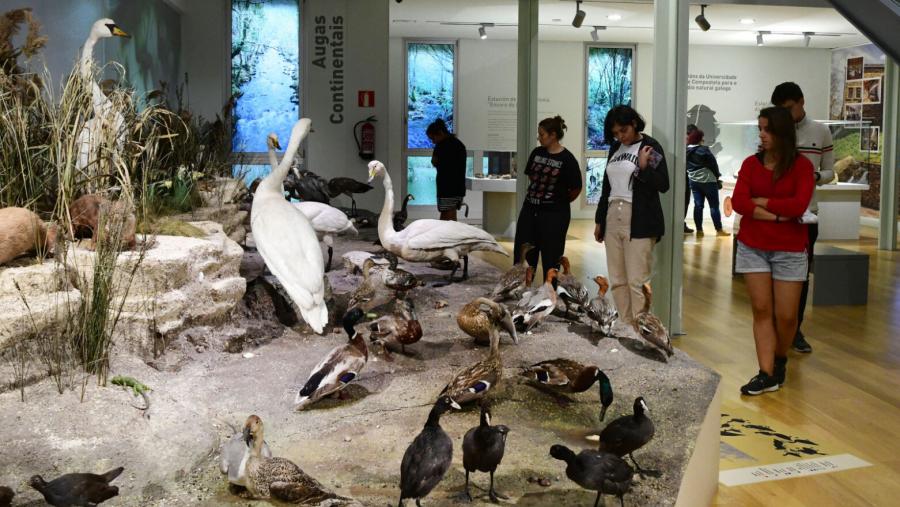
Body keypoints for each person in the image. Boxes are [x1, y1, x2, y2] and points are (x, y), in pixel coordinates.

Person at [732, 106, 814, 396]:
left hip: (790, 248)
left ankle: (780, 359)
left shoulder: (802, 166)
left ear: (783, 132)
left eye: (768, 129)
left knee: (788, 316)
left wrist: (762, 201)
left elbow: (798, 205)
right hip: (753, 245)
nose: (762, 135)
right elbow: (740, 202)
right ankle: (766, 373)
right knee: (761, 310)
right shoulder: (750, 164)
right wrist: (778, 216)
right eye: (760, 129)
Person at [771, 82, 835, 354]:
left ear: (801, 102)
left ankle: (794, 329)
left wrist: (813, 176)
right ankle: (775, 327)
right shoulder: (775, 131)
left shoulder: (821, 131)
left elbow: (830, 172)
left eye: (788, 108)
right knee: (772, 273)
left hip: (807, 216)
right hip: (775, 215)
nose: (785, 115)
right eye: (780, 110)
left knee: (800, 276)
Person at [593, 105, 669, 325]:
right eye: (616, 133)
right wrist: (600, 220)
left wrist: (644, 168)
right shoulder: (615, 147)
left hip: (640, 219)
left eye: (623, 130)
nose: (620, 136)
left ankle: (642, 332)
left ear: (634, 123)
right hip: (612, 215)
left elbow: (663, 184)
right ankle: (625, 329)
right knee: (617, 280)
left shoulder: (650, 147)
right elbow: (607, 187)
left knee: (637, 281)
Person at [513, 115, 582, 281]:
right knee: (524, 253)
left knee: (551, 255)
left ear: (553, 135)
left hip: (554, 215)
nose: (539, 137)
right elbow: (532, 176)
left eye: (542, 134)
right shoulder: (537, 152)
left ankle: (549, 290)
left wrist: (557, 202)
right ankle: (522, 288)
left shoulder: (567, 159)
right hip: (530, 210)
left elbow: (576, 188)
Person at [686, 124, 729, 237]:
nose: (703, 140)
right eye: (702, 138)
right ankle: (719, 230)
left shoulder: (686, 151)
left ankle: (699, 230)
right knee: (714, 206)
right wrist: (717, 176)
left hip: (694, 182)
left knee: (698, 206)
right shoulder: (704, 150)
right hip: (709, 182)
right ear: (699, 139)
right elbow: (713, 165)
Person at [427, 118, 467, 221]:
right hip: (458, 186)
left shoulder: (440, 146)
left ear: (440, 133)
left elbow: (434, 162)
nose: (433, 142)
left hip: (446, 187)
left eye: (433, 138)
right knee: (452, 214)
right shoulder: (459, 144)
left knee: (446, 215)